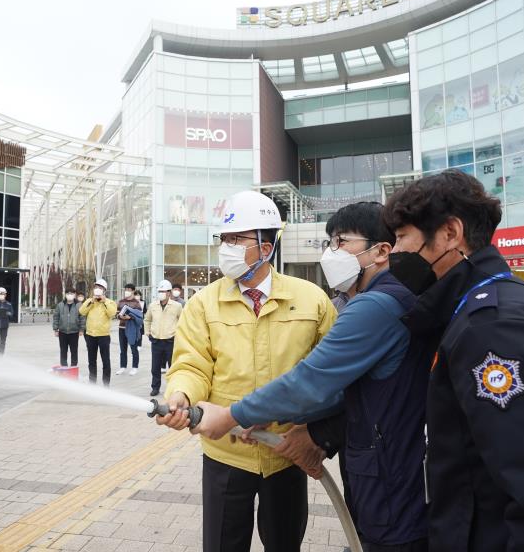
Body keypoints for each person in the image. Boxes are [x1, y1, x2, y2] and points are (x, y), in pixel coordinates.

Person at [192, 202, 433, 552]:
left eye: (340, 242)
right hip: (253, 451)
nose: (330, 252)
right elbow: (346, 389)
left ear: (382, 250)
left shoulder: (367, 305)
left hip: (383, 477)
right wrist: (304, 427)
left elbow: (313, 381)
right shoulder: (204, 302)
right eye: (328, 242)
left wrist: (233, 415)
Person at [381, 170, 524, 551]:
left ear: (450, 233)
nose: (394, 252)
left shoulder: (494, 329)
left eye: (402, 237)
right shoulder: (474, 310)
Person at [154, 190, 336, 552]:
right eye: (225, 239)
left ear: (266, 247)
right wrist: (181, 394)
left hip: (286, 452)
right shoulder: (203, 303)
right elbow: (192, 362)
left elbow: (331, 377)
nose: (228, 247)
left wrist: (311, 433)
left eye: (238, 239)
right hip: (225, 453)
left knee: (285, 544)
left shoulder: (311, 299)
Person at [144, 279, 183, 397]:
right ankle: (155, 387)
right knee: (155, 367)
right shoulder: (152, 305)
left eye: (163, 291)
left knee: (172, 367)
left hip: (171, 340)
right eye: (159, 291)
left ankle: (173, 388)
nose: (161, 293)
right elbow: (147, 320)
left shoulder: (177, 306)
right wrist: (148, 333)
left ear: (169, 293)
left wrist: (179, 336)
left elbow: (182, 321)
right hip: (156, 341)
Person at [79, 278, 118, 386]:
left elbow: (112, 313)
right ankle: (92, 383)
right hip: (90, 335)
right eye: (96, 287)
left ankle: (106, 385)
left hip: (103, 336)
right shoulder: (89, 301)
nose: (97, 289)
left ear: (104, 290)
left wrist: (104, 301)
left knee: (106, 361)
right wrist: (91, 301)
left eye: (100, 288)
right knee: (91, 361)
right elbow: (82, 311)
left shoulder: (110, 302)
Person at [52, 287, 85, 367]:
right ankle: (64, 366)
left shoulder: (79, 305)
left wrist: (81, 329)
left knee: (74, 350)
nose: (70, 295)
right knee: (63, 350)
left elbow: (82, 317)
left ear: (75, 295)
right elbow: (56, 317)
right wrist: (56, 329)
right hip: (62, 332)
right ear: (65, 294)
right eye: (68, 293)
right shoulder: (60, 305)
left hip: (74, 332)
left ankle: (74, 366)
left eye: (72, 293)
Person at [116, 283, 142, 375]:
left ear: (133, 291)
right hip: (121, 328)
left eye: (129, 290)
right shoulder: (120, 301)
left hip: (132, 329)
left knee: (134, 348)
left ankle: (135, 367)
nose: (127, 291)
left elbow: (139, 316)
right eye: (126, 289)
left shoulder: (136, 303)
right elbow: (116, 313)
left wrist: (130, 317)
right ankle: (123, 366)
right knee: (123, 349)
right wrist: (120, 317)